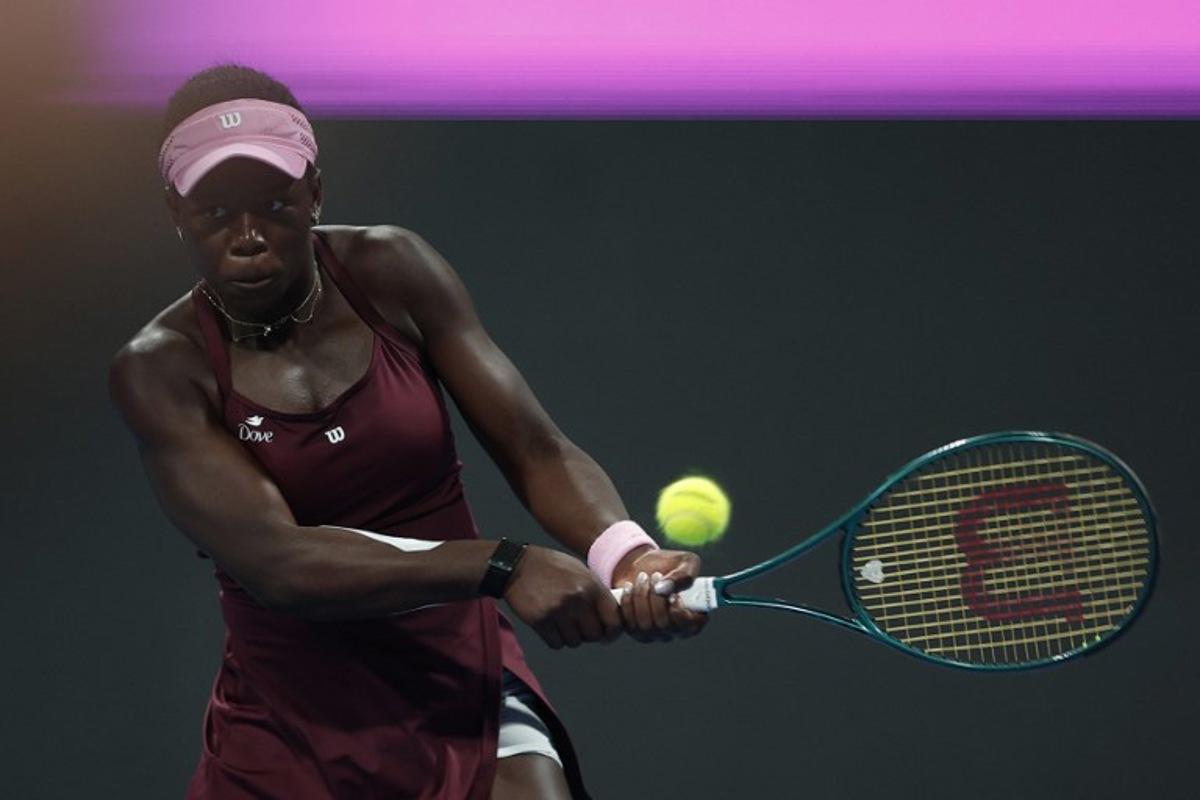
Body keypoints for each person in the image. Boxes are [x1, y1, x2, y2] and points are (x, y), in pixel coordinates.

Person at [108, 63, 708, 799]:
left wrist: (626, 554)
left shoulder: (393, 270)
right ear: (176, 212)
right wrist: (503, 566)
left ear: (316, 192)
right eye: (215, 213)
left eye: (273, 204)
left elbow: (534, 447)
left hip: (457, 678)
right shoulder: (160, 370)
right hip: (286, 724)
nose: (248, 237)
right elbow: (282, 565)